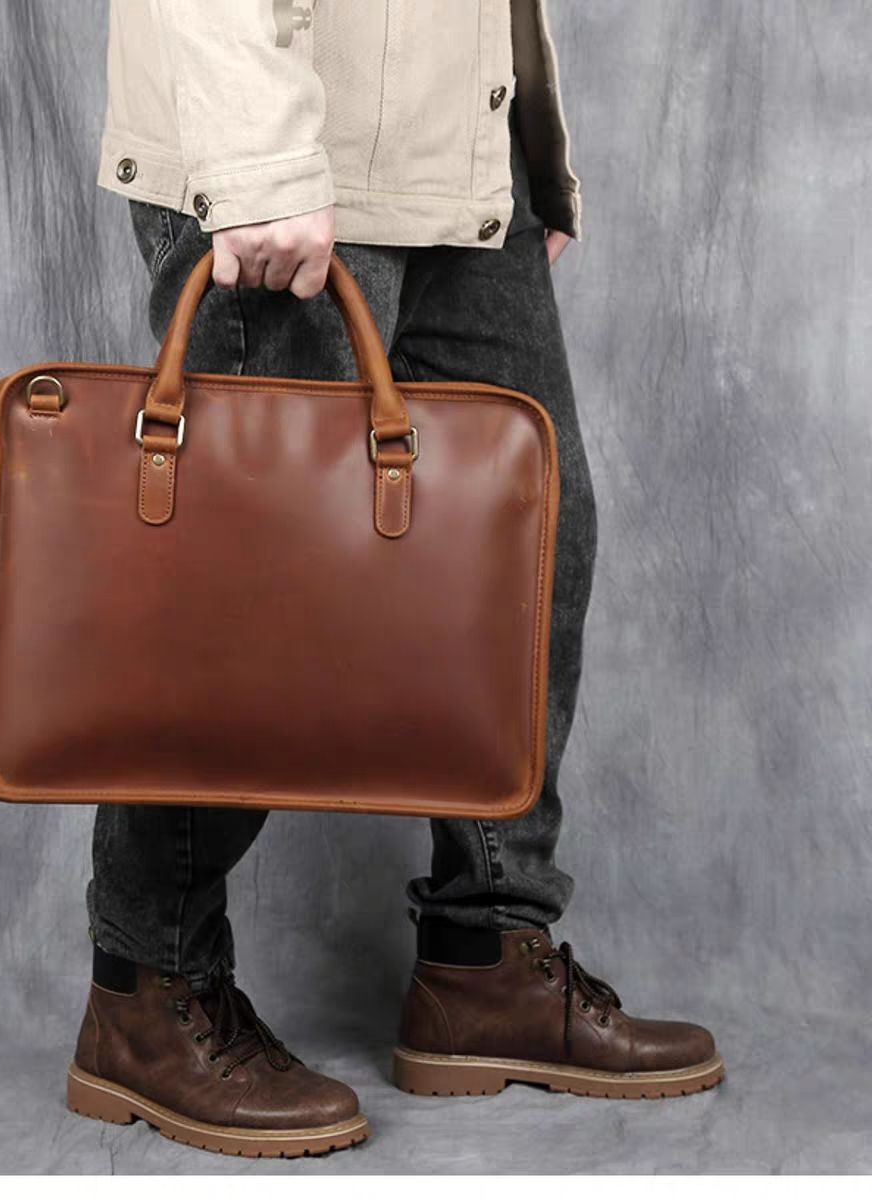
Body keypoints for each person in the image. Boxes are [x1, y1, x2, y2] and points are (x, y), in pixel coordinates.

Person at [66, 0, 723, 1158]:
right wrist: (258, 159)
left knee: (527, 561)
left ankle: (486, 959)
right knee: (248, 593)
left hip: (461, 161)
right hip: (287, 159)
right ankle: (147, 993)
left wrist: (529, 145)